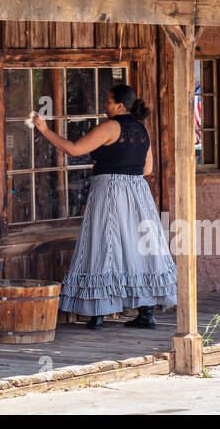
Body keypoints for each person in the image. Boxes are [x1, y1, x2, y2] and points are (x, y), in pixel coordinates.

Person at [34, 83, 176, 329]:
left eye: (108, 102)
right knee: (138, 248)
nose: (105, 105)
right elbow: (147, 169)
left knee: (103, 242)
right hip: (138, 193)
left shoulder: (111, 126)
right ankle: (145, 312)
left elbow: (75, 149)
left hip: (110, 189)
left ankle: (98, 312)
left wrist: (44, 129)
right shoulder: (143, 131)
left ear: (120, 105)